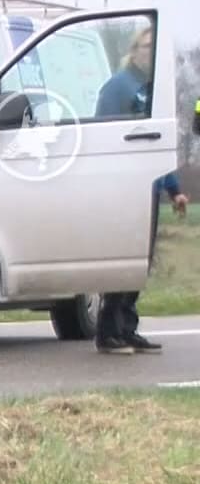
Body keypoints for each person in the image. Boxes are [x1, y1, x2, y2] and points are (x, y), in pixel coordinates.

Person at [93, 26, 163, 355]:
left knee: (139, 261)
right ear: (134, 50)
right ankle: (108, 331)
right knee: (120, 259)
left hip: (149, 184)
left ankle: (128, 327)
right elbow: (104, 135)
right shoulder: (118, 87)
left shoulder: (154, 89)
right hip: (122, 186)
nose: (151, 52)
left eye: (155, 47)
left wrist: (174, 188)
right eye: (146, 46)